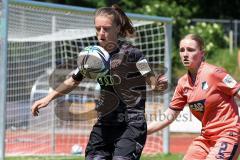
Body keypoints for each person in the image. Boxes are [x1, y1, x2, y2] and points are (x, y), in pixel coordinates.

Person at [31, 4, 167, 160]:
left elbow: (151, 80)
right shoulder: (92, 57)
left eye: (106, 28)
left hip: (131, 124)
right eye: (98, 28)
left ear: (117, 28)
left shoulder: (134, 54)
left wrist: (157, 84)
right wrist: (48, 98)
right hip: (105, 123)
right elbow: (72, 81)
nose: (101, 33)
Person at [147, 33, 240, 160]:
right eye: (182, 50)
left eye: (190, 50)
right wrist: (144, 130)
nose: (185, 54)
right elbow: (169, 115)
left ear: (202, 53)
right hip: (206, 139)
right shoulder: (182, 83)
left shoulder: (215, 73)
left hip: (228, 134)